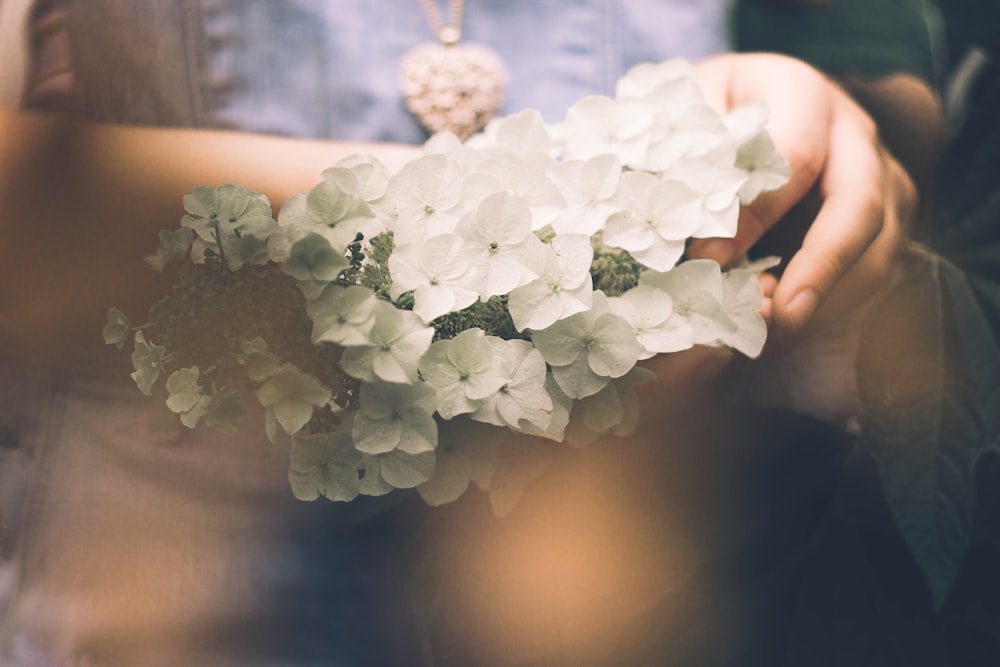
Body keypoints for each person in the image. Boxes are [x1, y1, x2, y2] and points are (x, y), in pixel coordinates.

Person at [0, 1, 936, 665]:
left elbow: (892, 117)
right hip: (166, 612)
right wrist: (568, 221)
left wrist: (805, 129)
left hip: (644, 596)